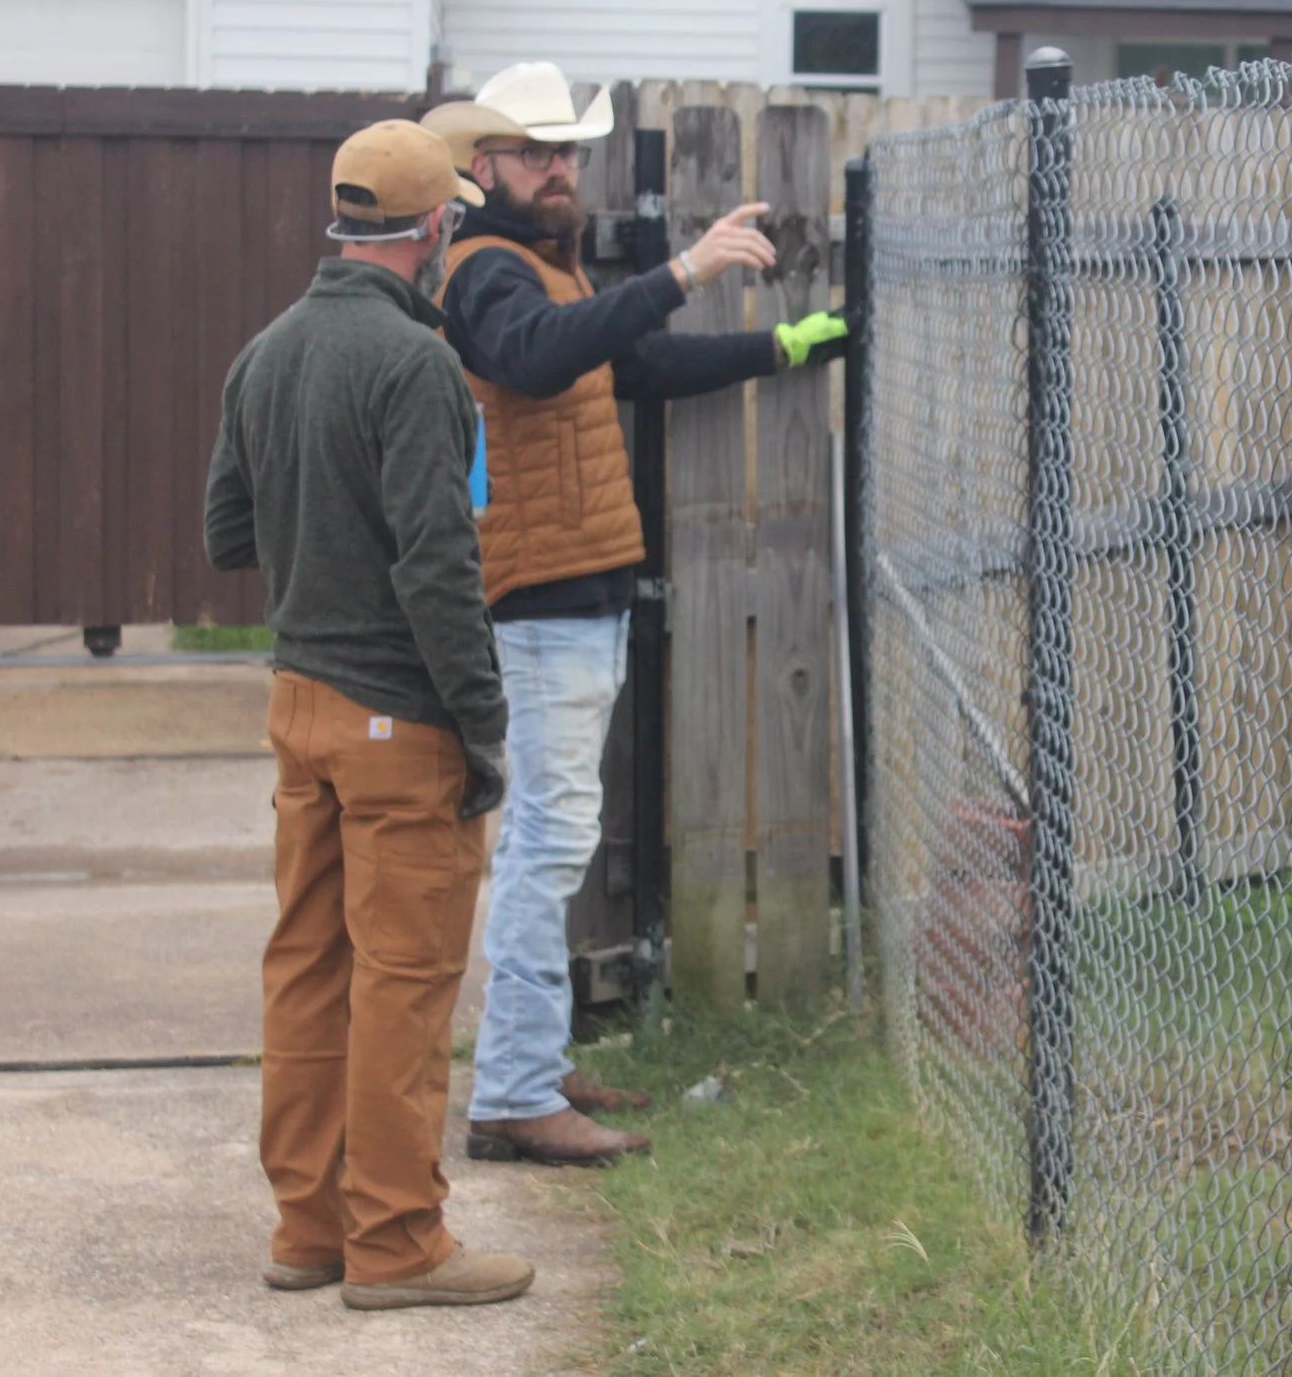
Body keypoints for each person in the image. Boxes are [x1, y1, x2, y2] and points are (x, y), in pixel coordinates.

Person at [421, 65, 849, 1167]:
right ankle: (514, 1094)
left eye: (568, 152)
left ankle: (530, 1059)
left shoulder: (545, 272)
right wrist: (684, 265)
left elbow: (636, 364)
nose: (558, 169)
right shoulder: (483, 277)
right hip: (537, 603)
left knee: (548, 842)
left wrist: (784, 345)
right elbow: (536, 357)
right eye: (534, 153)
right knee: (547, 846)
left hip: (580, 594)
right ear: (483, 167)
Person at [204, 119, 532, 1310]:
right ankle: (395, 1242)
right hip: (402, 716)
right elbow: (439, 570)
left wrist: (316, 550)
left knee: (306, 965)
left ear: (344, 223)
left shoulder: (267, 351)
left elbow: (227, 534)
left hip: (300, 704)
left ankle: (309, 1228)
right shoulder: (415, 365)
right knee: (403, 978)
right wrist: (482, 728)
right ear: (436, 228)